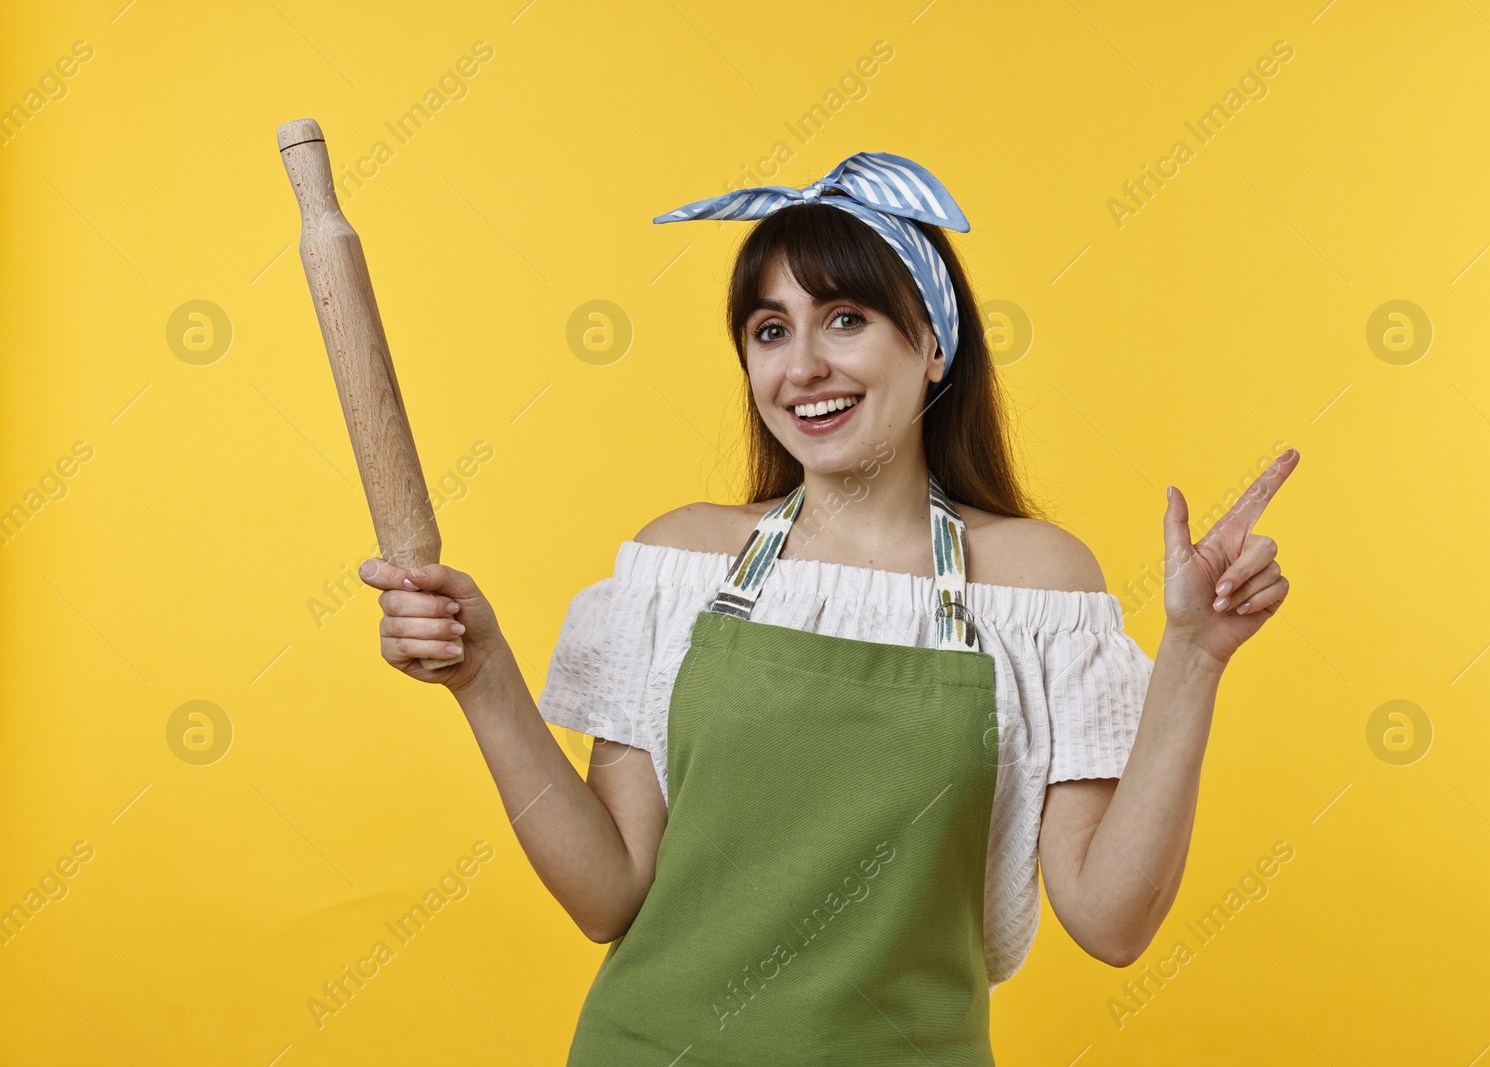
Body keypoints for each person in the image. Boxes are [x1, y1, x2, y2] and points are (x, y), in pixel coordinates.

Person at [357, 151, 1298, 1065]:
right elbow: (609, 894)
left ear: (933, 344)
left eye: (844, 319)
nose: (802, 364)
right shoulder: (679, 564)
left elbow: (1113, 919)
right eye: (770, 331)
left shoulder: (1037, 587)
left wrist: (1194, 655)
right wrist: (482, 680)